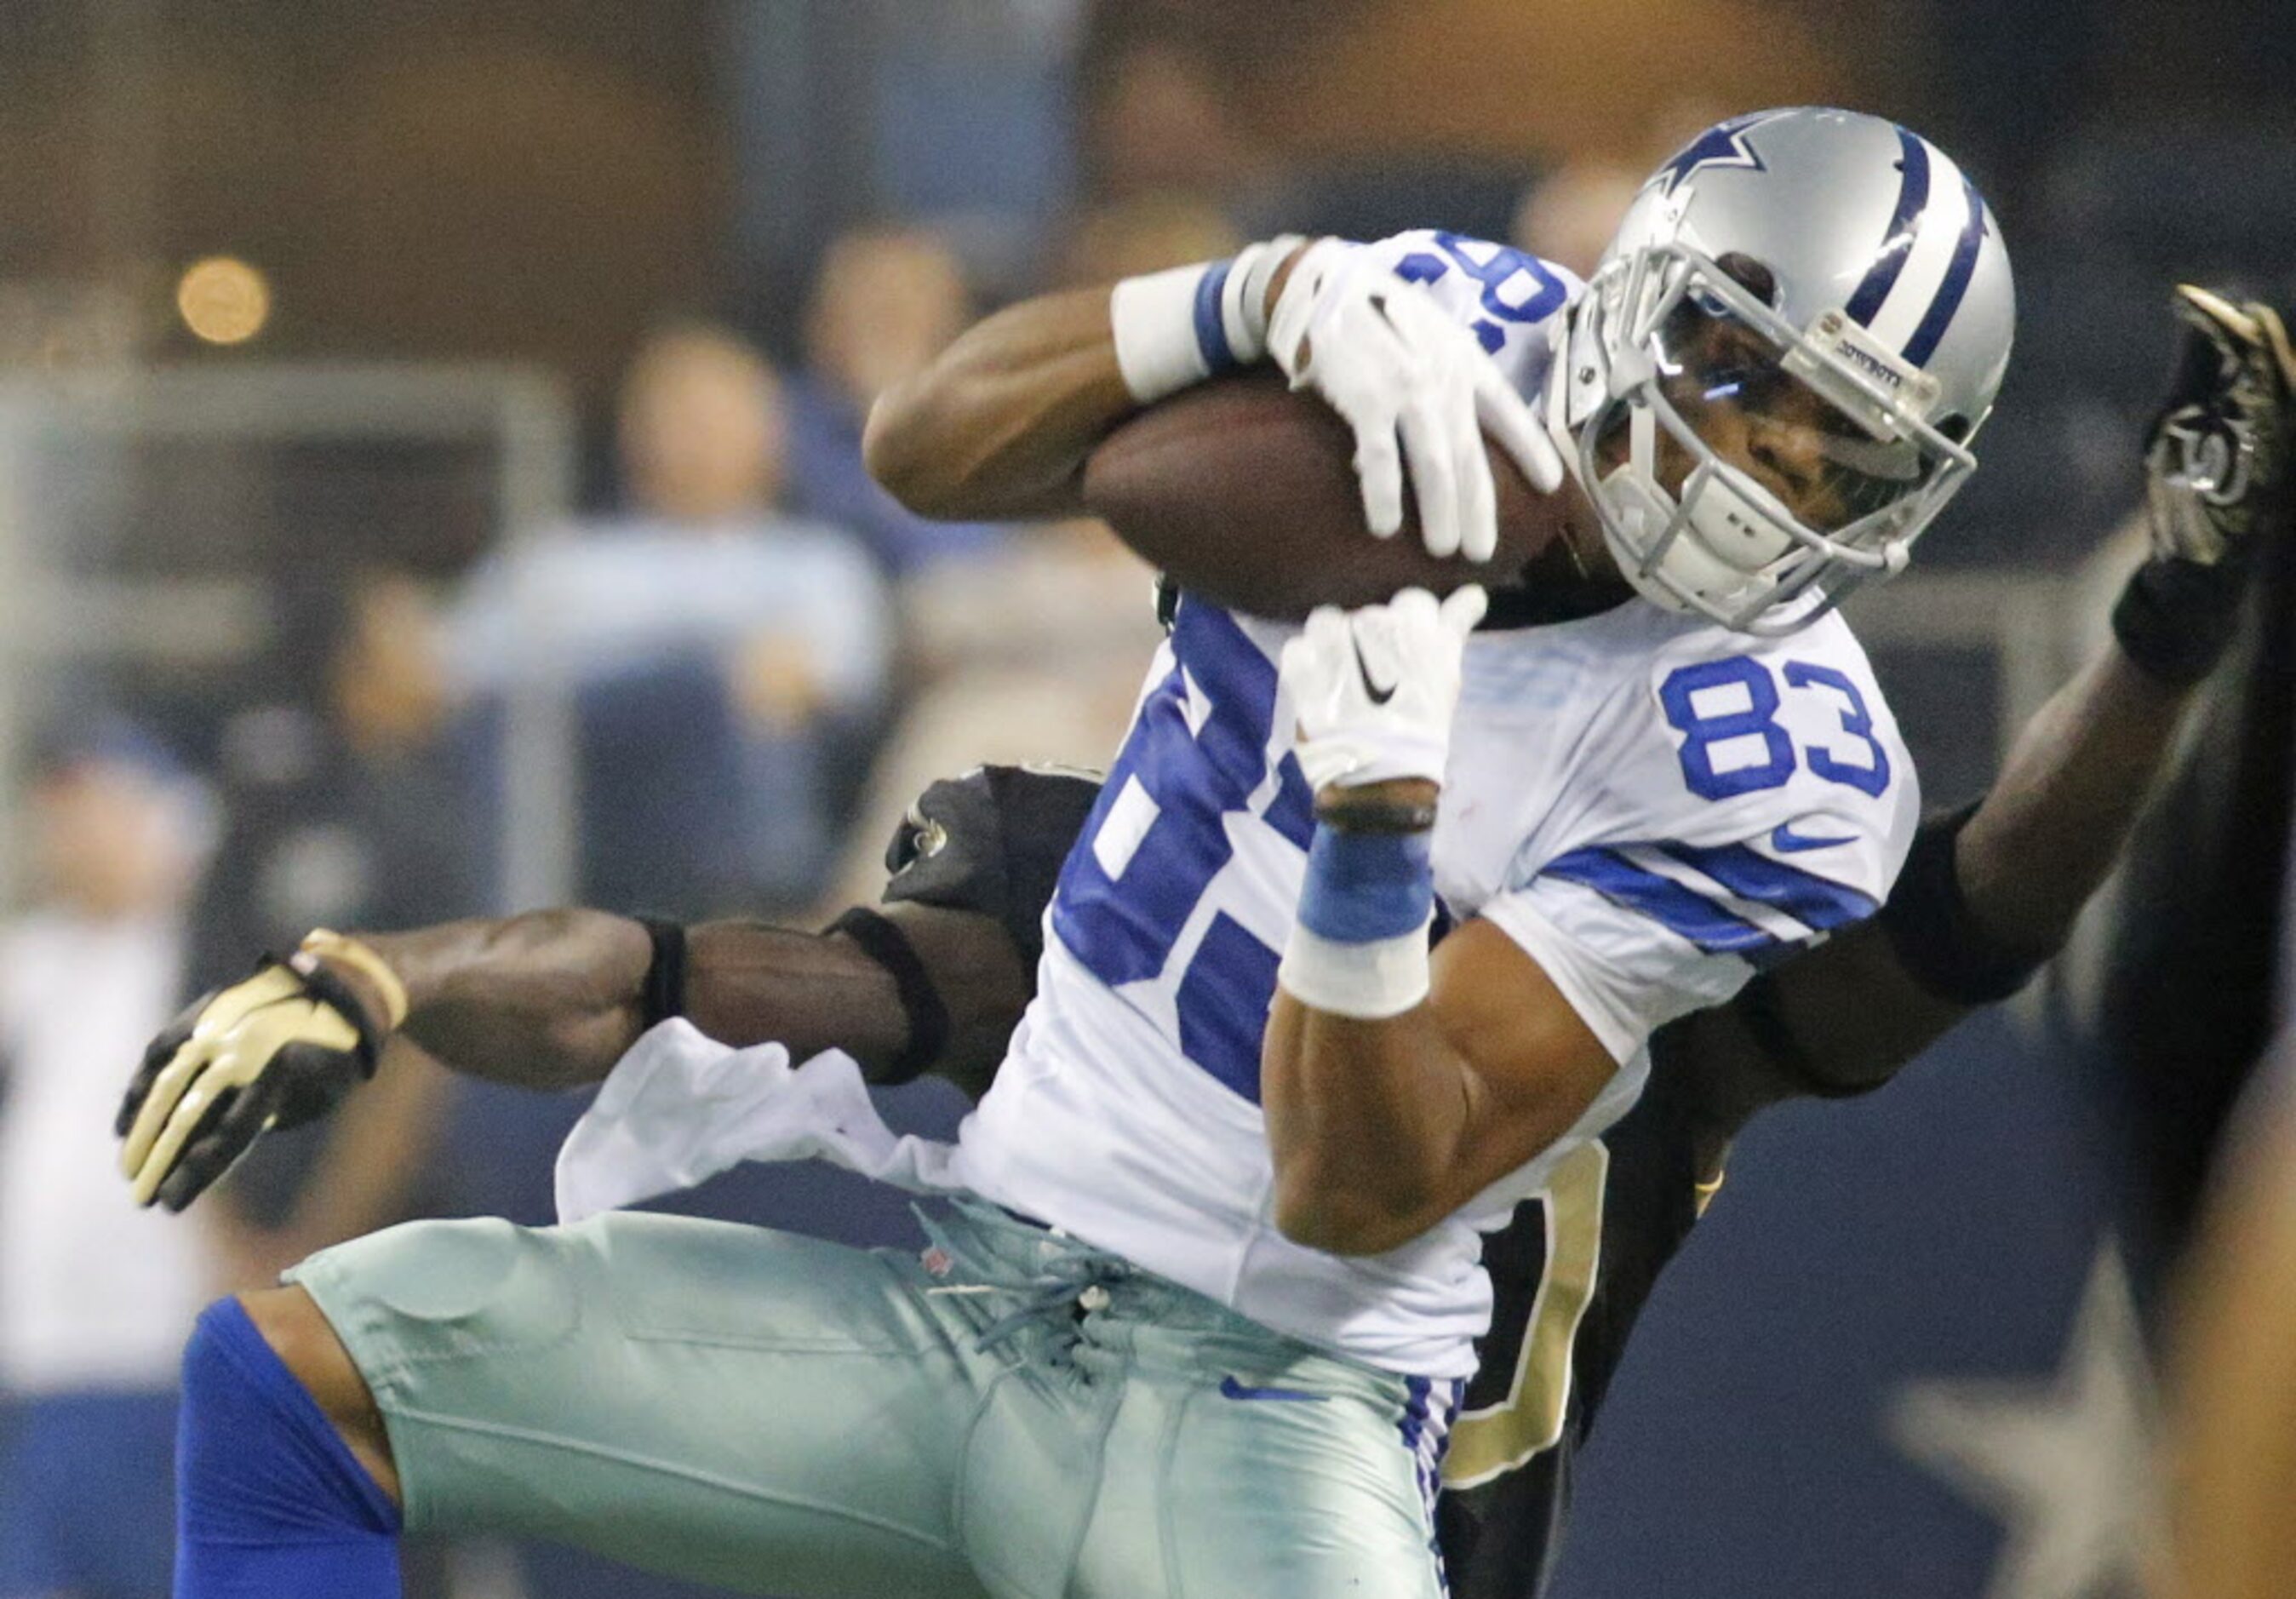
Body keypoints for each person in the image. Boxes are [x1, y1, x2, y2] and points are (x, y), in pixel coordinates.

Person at [125, 108, 2010, 1596]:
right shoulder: (1433, 322)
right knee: (292, 1387)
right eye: (1737, 374)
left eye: (1831, 459)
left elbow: (1362, 1188)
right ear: (1637, 297)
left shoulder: (1780, 771)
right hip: (965, 1309)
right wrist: (1249, 295)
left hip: (1272, 1406)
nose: (1754, 470)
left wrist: (1367, 837)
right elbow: (925, 451)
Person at [448, 319, 894, 918]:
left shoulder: (816, 563)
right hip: (576, 789)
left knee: (706, 696)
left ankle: (735, 931)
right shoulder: (559, 558)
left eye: (713, 416)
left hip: (714, 803)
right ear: (632, 430)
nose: (692, 438)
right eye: (672, 414)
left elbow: (822, 682)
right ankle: (513, 949)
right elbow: (449, 672)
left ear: (770, 431)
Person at [0, 725, 221, 1599]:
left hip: (147, 1358)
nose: (75, 838)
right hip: (28, 1365)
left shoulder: (210, 968)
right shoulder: (30, 962)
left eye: (96, 810)